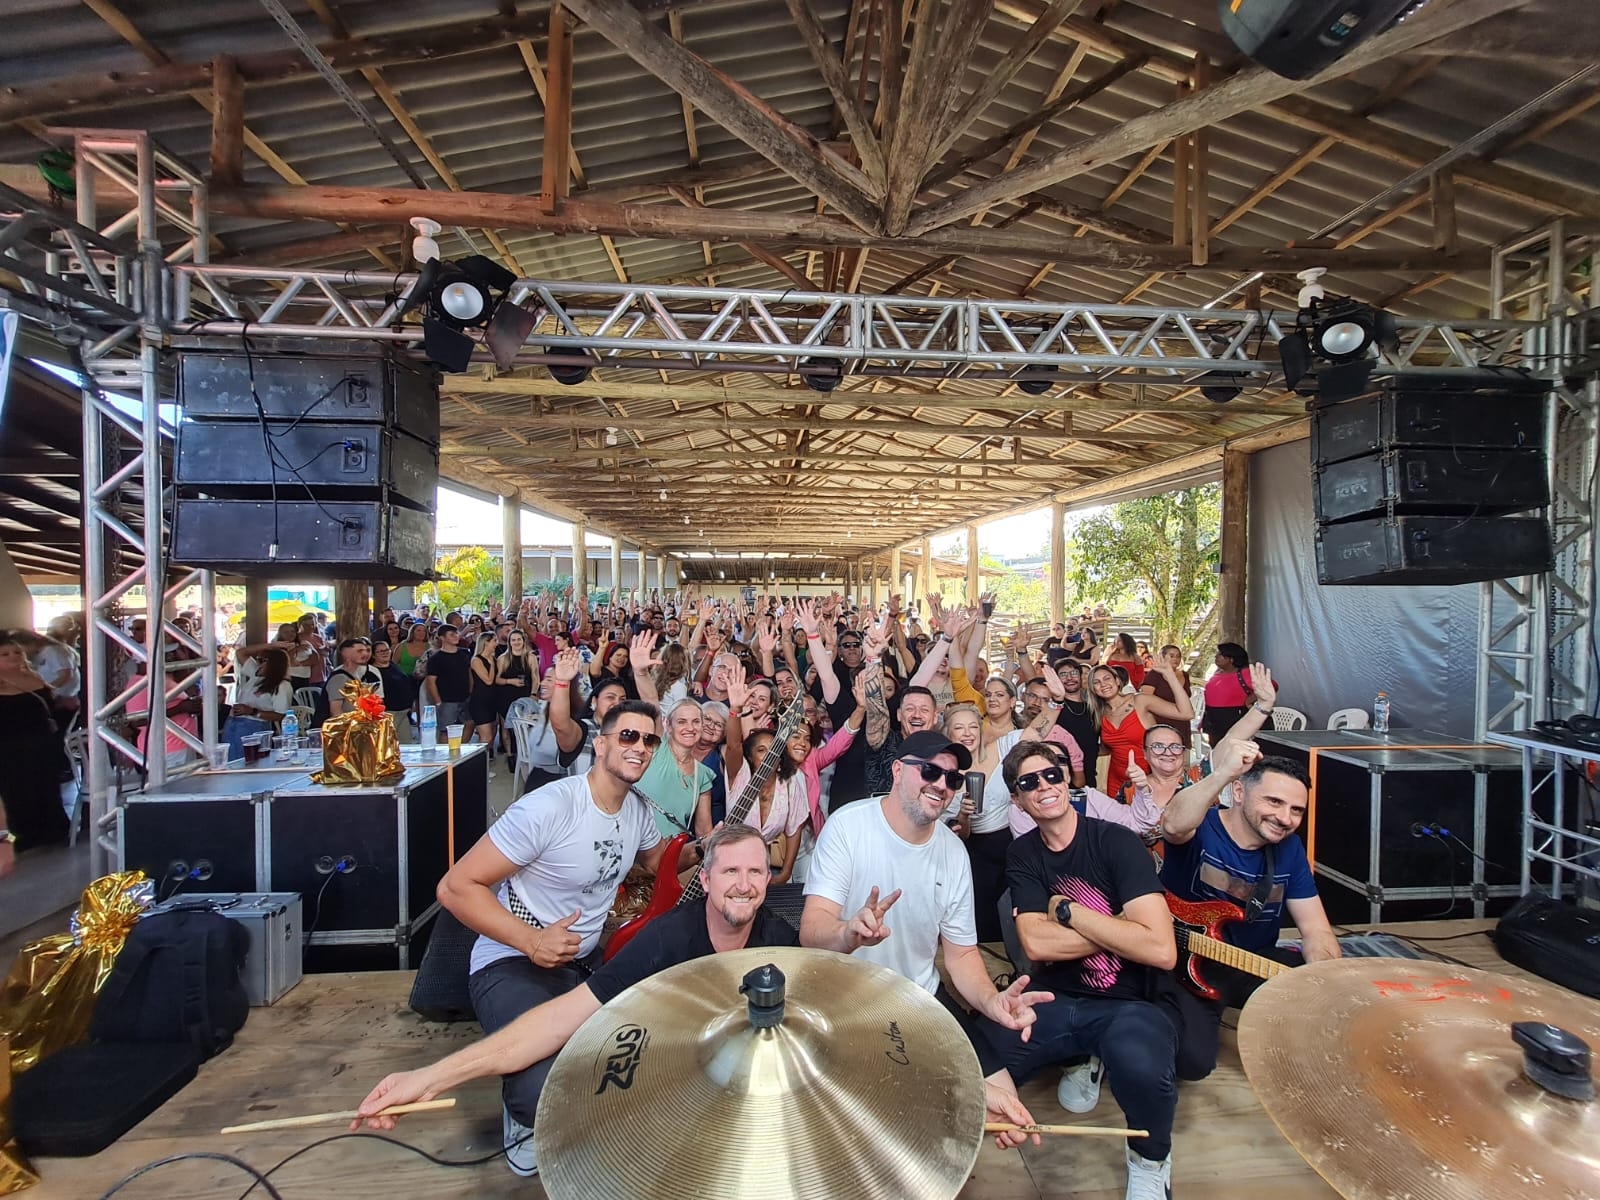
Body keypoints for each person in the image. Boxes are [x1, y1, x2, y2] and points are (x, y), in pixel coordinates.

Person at [436, 699, 670, 1176]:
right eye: (628, 736)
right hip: (512, 960)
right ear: (600, 744)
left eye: (650, 740)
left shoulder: (638, 811)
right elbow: (455, 887)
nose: (640, 748)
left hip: (583, 962)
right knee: (541, 1085)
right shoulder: (549, 807)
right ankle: (520, 1115)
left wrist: (716, 851)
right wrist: (530, 941)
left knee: (642, 1057)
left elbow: (658, 862)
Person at [996, 739, 1181, 1200]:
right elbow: (1036, 945)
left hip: (1128, 1001)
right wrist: (1121, 928)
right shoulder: (1022, 854)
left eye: (1052, 774)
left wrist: (1071, 914)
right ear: (1017, 799)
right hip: (1053, 997)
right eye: (1028, 783)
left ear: (1068, 779)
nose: (1044, 786)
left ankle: (1151, 1160)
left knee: (1143, 1067)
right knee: (978, 1055)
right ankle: (1081, 1058)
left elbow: (1160, 949)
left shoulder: (1115, 841)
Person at [1157, 738, 1341, 1081]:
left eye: (1296, 810)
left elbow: (1316, 930)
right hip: (1187, 965)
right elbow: (1173, 824)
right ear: (1239, 793)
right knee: (1193, 1063)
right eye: (1273, 801)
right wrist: (1223, 773)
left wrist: (1325, 982)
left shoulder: (1289, 849)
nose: (1285, 818)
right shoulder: (1203, 828)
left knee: (1328, 976)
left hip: (1249, 962)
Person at [0, 634, 70, 850]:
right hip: (8, 748)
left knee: (45, 787)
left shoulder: (36, 678)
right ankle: (17, 838)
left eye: (17, 652)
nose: (13, 657)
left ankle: (50, 831)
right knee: (14, 792)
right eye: (5, 654)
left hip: (41, 744)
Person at [1087, 659, 1193, 802]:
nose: (1103, 684)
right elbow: (1108, 747)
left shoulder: (1140, 701)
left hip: (1149, 779)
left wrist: (1170, 677)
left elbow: (1186, 713)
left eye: (1107, 678)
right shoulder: (1099, 712)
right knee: (1119, 822)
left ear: (1117, 681)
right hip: (1117, 781)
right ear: (1093, 689)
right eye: (1096, 682)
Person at [424, 625, 473, 732]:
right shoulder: (436, 658)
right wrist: (438, 702)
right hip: (447, 700)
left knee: (470, 724)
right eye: (451, 634)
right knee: (446, 731)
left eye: (456, 633)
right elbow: (431, 682)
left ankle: (462, 747)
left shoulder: (465, 653)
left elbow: (469, 674)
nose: (456, 636)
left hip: (465, 697)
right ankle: (445, 749)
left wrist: (471, 692)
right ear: (442, 637)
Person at [325, 637, 383, 718]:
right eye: (359, 651)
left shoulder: (355, 675)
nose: (365, 654)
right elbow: (335, 712)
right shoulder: (339, 678)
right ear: (347, 654)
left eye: (366, 650)